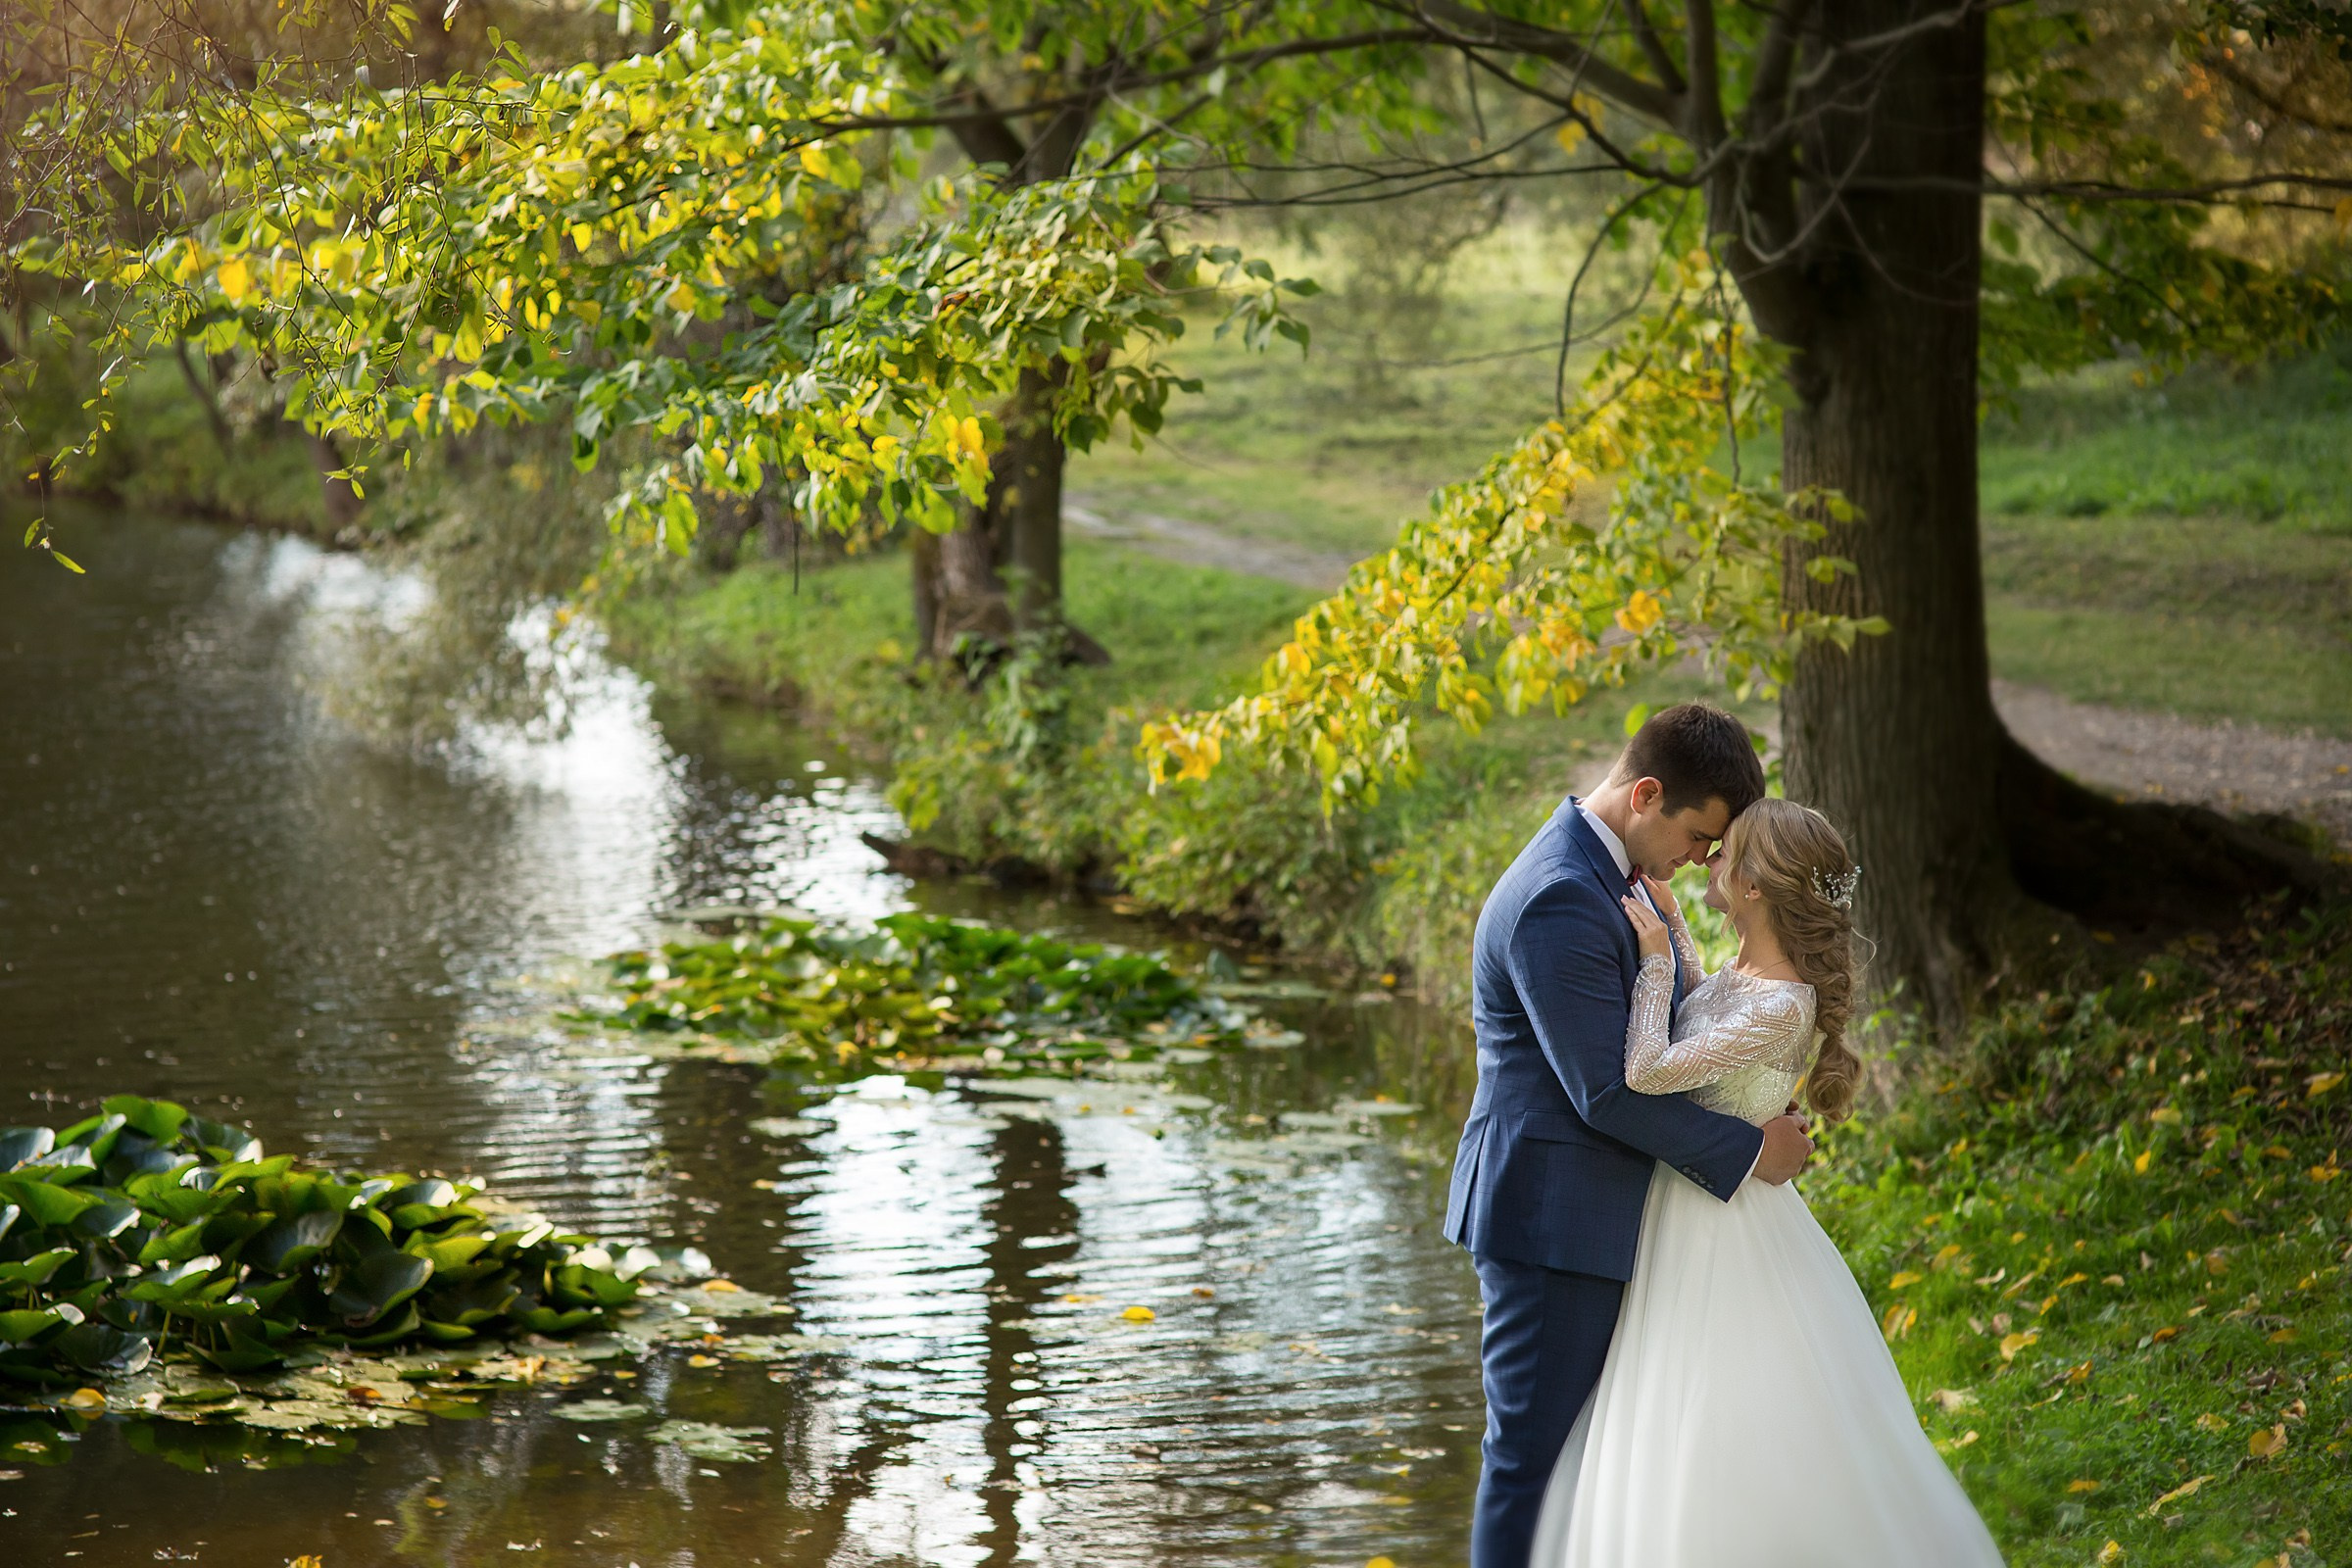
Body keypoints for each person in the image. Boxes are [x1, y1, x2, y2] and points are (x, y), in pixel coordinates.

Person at [1529, 798, 2004, 1566]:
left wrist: (1651, 963)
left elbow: (1647, 1069)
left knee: (1712, 1416)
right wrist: (1675, 931)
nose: (1708, 858)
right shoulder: (1747, 975)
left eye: (1724, 854)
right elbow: (1702, 1008)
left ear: (1753, 884)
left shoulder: (1783, 1005)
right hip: (1684, 1207)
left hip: (1718, 1230)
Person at [1445, 703, 1815, 1568]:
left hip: (1601, 1214)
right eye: (1696, 836)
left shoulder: (1614, 874)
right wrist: (1751, 1152)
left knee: (1591, 1461)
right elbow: (1605, 1092)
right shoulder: (1558, 898)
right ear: (1646, 794)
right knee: (1530, 1463)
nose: (1701, 860)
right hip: (1550, 1221)